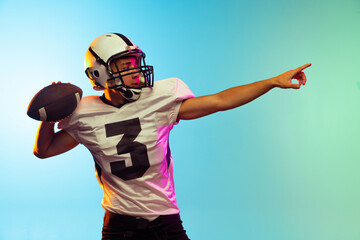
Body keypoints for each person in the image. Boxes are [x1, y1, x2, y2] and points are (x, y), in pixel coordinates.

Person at [33, 33, 311, 240]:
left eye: (135, 62)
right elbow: (43, 151)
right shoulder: (84, 113)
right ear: (101, 72)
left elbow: (219, 100)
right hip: (119, 226)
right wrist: (50, 117)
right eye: (125, 64)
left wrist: (272, 82)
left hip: (165, 221)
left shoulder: (160, 99)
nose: (135, 70)